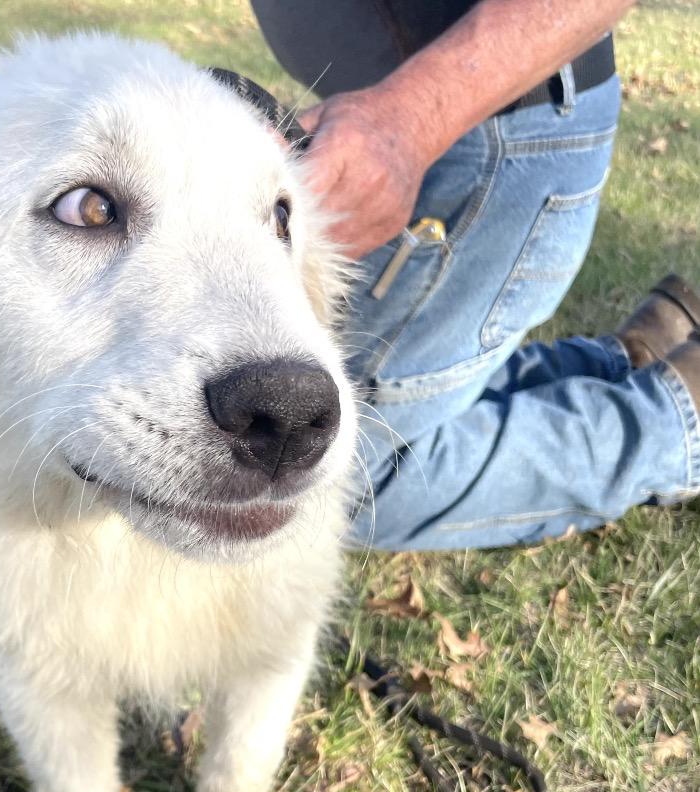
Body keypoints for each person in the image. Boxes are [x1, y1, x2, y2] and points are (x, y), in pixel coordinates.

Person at [251, 0, 700, 549]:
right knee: (401, 397)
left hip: (483, 129)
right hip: (463, 119)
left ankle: (676, 425)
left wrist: (406, 121)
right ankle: (634, 357)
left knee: (342, 477)